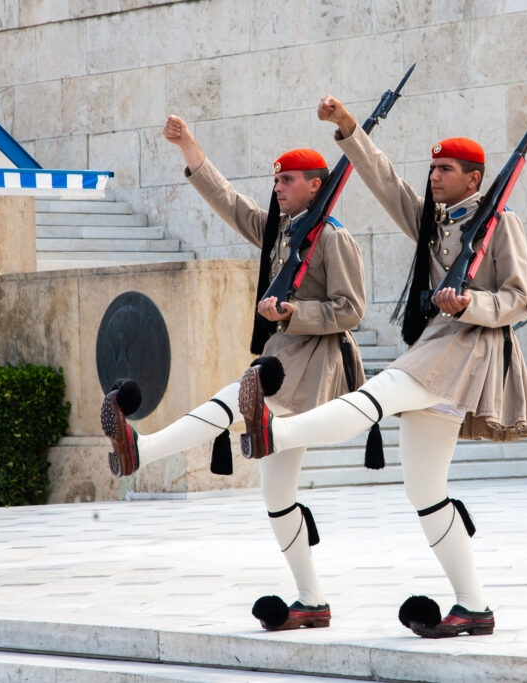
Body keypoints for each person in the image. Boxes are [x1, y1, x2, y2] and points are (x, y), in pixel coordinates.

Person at [234, 95, 527, 639]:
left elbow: (519, 297)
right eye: (432, 168)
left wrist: (472, 303)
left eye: (445, 169)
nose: (434, 177)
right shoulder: (433, 220)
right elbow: (384, 181)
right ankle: (475, 607)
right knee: (423, 488)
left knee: (379, 393)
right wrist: (349, 128)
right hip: (439, 346)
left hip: (467, 352)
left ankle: (273, 430)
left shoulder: (502, 225)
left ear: (475, 179)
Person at [101, 114, 367, 631]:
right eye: (275, 180)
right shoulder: (281, 232)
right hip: (280, 357)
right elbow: (229, 203)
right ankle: (312, 601)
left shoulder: (333, 238)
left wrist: (294, 313)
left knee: (229, 403)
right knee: (276, 496)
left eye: (286, 180)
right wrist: (190, 149)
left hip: (312, 366)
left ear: (317, 186)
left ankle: (142, 448)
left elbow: (352, 309)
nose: (277, 188)